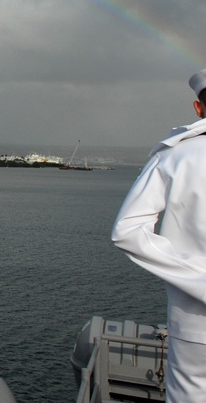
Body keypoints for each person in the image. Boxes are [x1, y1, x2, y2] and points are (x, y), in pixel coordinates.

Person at [112, 69, 206, 403]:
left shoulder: (173, 156)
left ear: (198, 108)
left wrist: (198, 281)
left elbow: (127, 232)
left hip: (195, 325)